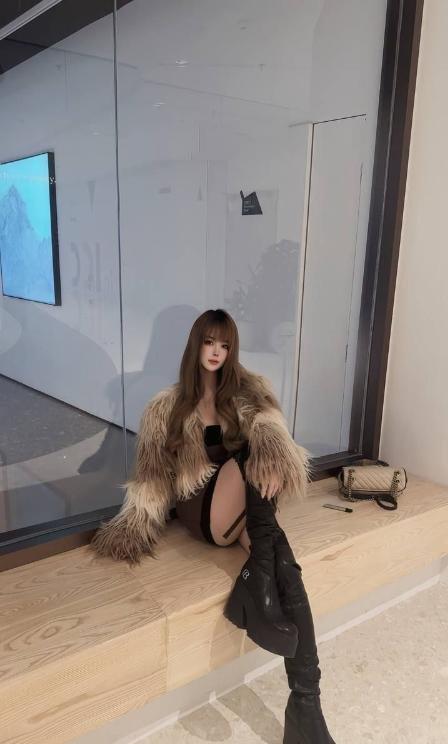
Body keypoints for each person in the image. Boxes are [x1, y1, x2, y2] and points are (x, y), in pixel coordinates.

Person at [90, 308, 335, 744]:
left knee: (283, 560)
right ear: (196, 346)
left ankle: (306, 705)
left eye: (224, 344)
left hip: (241, 510)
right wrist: (134, 525)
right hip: (202, 511)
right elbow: (151, 479)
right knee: (253, 460)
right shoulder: (166, 407)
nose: (216, 351)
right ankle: (258, 593)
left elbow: (272, 432)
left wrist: (270, 448)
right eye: (209, 342)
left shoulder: (248, 395)